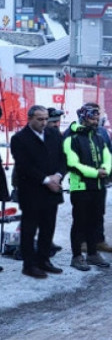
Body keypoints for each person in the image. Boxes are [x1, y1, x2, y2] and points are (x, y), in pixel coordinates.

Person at [10, 105, 67, 278]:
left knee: (48, 227)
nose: (44, 122)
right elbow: (24, 166)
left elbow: (63, 158)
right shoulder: (19, 139)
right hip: (32, 192)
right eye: (40, 119)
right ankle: (29, 265)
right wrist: (45, 180)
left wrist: (58, 176)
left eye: (45, 119)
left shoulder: (53, 134)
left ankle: (44, 260)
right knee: (29, 229)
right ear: (30, 119)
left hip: (52, 191)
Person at [64, 104, 112, 272]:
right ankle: (77, 256)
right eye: (92, 116)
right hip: (81, 187)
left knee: (94, 221)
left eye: (97, 116)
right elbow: (72, 163)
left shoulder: (98, 136)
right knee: (80, 222)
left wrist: (106, 169)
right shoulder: (72, 137)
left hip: (98, 186)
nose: (96, 119)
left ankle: (93, 253)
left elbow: (107, 155)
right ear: (83, 117)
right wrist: (95, 173)